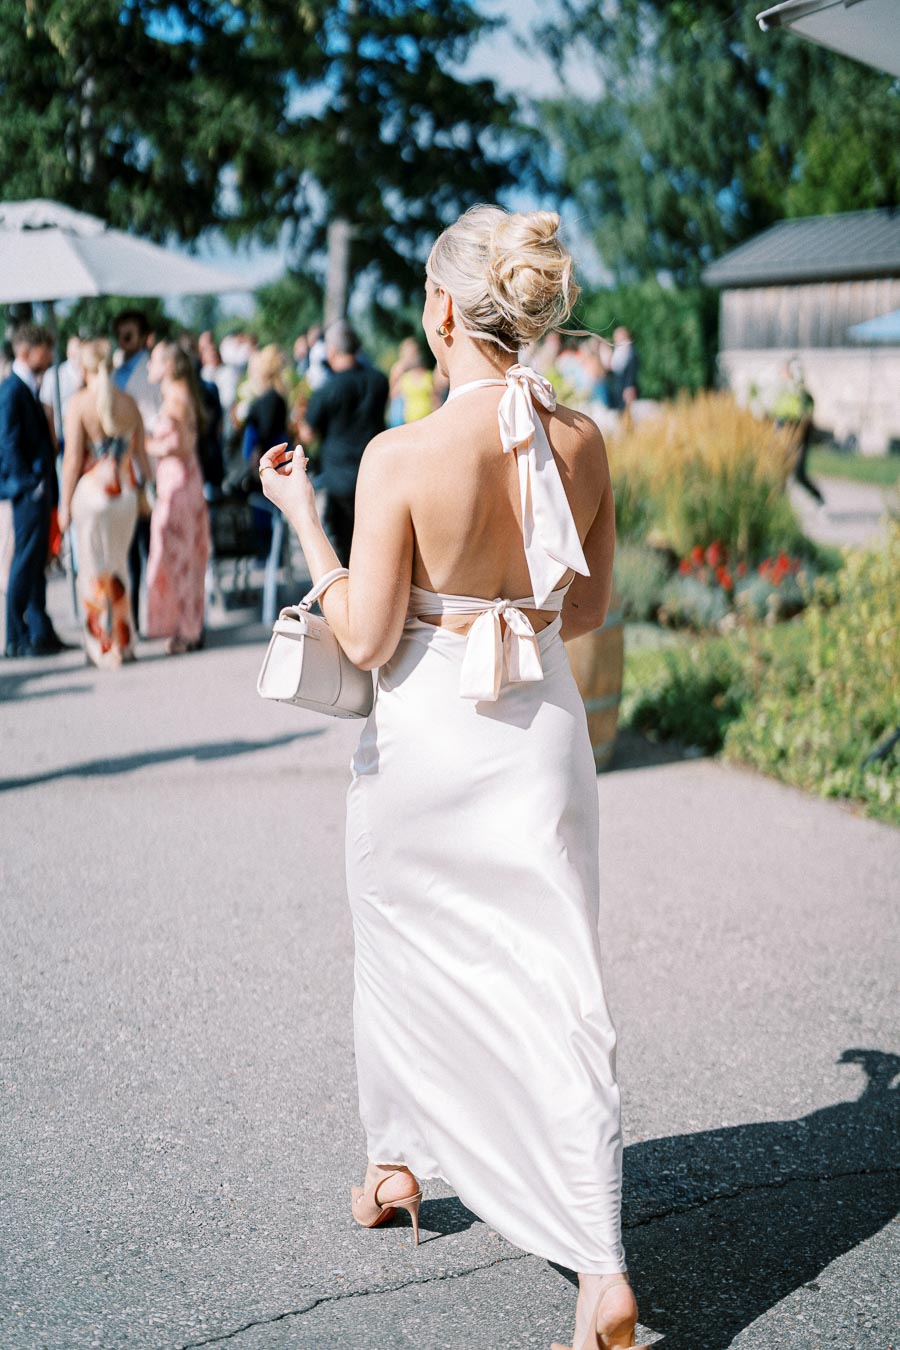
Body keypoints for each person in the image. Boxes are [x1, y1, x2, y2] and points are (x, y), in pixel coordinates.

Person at [259, 205, 645, 1350]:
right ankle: (603, 1266)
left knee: (401, 949)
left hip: (426, 747)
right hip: (540, 743)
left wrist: (303, 524)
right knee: (559, 980)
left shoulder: (400, 456)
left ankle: (396, 1168)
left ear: (441, 311)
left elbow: (370, 639)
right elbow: (585, 610)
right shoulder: (582, 442)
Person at [59, 340, 150, 668]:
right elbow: (142, 459)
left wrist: (64, 504)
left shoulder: (78, 404)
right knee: (119, 566)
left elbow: (71, 461)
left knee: (93, 571)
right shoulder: (129, 403)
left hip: (93, 494)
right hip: (124, 494)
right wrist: (146, 492)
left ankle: (102, 645)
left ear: (83, 369)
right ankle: (125, 641)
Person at [0, 322, 66, 658]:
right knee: (24, 563)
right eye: (46, 348)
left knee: (37, 561)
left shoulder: (26, 386)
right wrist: (29, 483)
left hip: (37, 487)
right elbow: (8, 442)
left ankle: (40, 631)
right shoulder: (12, 388)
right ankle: (15, 635)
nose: (51, 354)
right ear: (28, 351)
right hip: (28, 491)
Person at [299, 321, 388, 566]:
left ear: (332, 351)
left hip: (340, 479)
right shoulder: (379, 380)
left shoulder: (328, 388)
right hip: (374, 474)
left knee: (344, 548)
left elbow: (307, 433)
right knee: (376, 547)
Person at [144, 343, 210, 655]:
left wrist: (144, 445)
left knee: (180, 558)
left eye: (154, 360)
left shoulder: (175, 400)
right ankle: (189, 625)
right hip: (185, 480)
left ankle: (188, 629)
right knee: (188, 557)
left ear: (169, 365)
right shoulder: (184, 394)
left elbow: (181, 446)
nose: (148, 367)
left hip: (178, 484)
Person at [114, 310, 162, 633]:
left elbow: (155, 418)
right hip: (124, 470)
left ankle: (153, 615)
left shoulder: (150, 371)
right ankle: (131, 616)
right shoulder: (116, 373)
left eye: (129, 335)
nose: (124, 342)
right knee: (129, 550)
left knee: (151, 548)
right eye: (121, 335)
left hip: (147, 466)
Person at [773, 358, 824, 506]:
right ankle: (778, 505)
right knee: (780, 473)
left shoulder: (802, 394)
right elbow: (776, 414)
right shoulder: (782, 393)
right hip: (783, 437)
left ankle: (818, 499)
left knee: (798, 473)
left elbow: (806, 415)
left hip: (800, 438)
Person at [388, 338, 435, 426]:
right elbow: (392, 395)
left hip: (428, 418)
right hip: (407, 421)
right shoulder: (400, 373)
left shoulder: (426, 375)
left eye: (413, 353)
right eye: (408, 353)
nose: (411, 357)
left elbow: (435, 397)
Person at [608, 326, 639, 418]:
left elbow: (632, 371)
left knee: (628, 411)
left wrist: (629, 386)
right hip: (618, 386)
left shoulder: (630, 351)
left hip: (626, 387)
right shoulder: (619, 351)